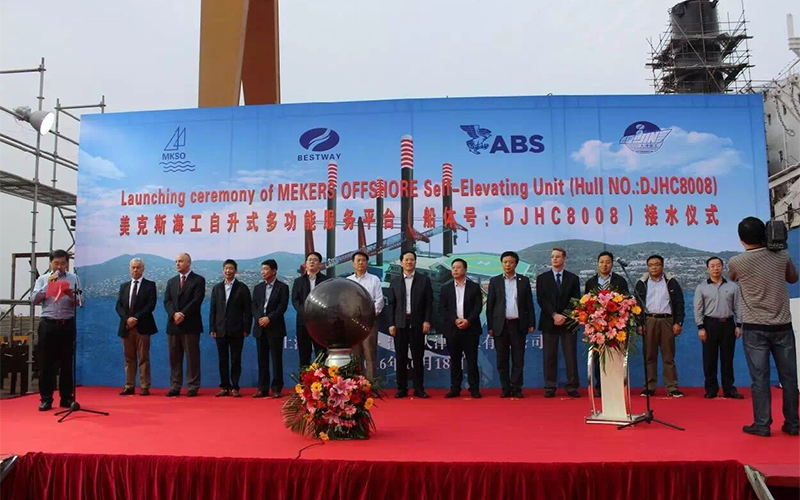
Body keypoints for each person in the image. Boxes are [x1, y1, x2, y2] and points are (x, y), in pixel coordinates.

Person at [728, 216, 798, 437]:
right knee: (789, 378)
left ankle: (762, 424)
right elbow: (793, 278)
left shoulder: (737, 261)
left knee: (759, 378)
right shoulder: (782, 256)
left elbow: (732, 278)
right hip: (782, 325)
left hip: (755, 327)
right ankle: (793, 423)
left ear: (741, 239)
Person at [32, 249, 83, 411]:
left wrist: (70, 295)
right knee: (46, 363)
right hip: (48, 324)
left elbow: (81, 301)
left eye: (63, 263)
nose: (59, 266)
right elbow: (34, 300)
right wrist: (48, 285)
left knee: (67, 363)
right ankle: (46, 399)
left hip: (66, 324)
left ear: (67, 264)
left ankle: (66, 398)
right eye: (56, 263)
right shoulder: (42, 279)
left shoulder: (74, 279)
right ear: (50, 263)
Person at [634, 255, 685, 398]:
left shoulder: (671, 282)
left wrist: (678, 322)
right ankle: (649, 387)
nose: (654, 267)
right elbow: (636, 306)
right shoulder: (642, 283)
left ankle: (672, 387)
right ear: (647, 267)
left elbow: (679, 303)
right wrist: (639, 324)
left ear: (662, 266)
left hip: (667, 320)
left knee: (668, 356)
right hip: (649, 320)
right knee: (649, 355)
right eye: (651, 265)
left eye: (657, 264)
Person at [486, 251, 536, 398]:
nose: (508, 265)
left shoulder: (524, 281)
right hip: (500, 325)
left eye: (511, 262)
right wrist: (490, 326)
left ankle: (516, 388)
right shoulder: (495, 281)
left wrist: (531, 322)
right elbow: (490, 305)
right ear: (502, 264)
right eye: (505, 262)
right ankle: (505, 388)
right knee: (502, 359)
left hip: (518, 324)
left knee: (518, 358)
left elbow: (529, 304)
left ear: (516, 264)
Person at [693, 256, 743, 400]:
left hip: (728, 324)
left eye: (718, 265)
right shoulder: (701, 287)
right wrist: (700, 327)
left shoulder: (733, 286)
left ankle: (729, 389)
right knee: (709, 359)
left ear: (722, 267)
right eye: (712, 266)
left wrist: (739, 325)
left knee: (728, 358)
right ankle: (711, 389)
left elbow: (738, 306)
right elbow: (698, 309)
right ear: (707, 269)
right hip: (710, 324)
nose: (716, 268)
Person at [536, 247, 582, 398]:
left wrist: (564, 316)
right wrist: (554, 315)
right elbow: (542, 300)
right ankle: (550, 386)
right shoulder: (542, 278)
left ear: (564, 259)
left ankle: (572, 386)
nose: (554, 259)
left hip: (568, 322)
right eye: (552, 257)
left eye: (557, 256)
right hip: (549, 321)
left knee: (570, 356)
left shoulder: (573, 278)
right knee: (549, 356)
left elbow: (575, 300)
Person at [387, 250, 433, 398]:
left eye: (411, 259)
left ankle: (419, 388)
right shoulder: (395, 281)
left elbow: (429, 303)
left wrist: (427, 321)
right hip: (400, 324)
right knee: (400, 357)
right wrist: (391, 324)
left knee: (418, 357)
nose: (409, 262)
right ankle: (402, 388)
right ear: (401, 263)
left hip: (417, 323)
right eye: (406, 260)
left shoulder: (424, 280)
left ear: (415, 262)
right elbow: (391, 305)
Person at [584, 251, 629, 397]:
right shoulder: (590, 282)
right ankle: (600, 386)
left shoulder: (620, 281)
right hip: (597, 325)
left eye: (608, 262)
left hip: (616, 325)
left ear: (612, 264)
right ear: (597, 264)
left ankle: (615, 385)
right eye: (602, 262)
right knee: (598, 356)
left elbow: (625, 301)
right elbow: (586, 303)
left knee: (615, 355)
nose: (604, 265)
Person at [163, 252, 206, 397]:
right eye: (176, 261)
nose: (177, 264)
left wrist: (182, 314)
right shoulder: (171, 281)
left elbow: (197, 300)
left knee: (192, 357)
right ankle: (175, 386)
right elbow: (167, 301)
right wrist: (174, 314)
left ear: (188, 262)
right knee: (174, 358)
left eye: (180, 261)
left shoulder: (198, 280)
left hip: (190, 325)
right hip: (173, 325)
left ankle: (193, 386)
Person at [439, 258, 483, 399]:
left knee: (472, 360)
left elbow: (478, 307)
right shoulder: (445, 288)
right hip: (453, 329)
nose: (455, 270)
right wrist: (455, 320)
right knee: (455, 360)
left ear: (465, 270)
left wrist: (468, 321)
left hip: (470, 329)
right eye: (453, 268)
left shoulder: (474, 287)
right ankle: (455, 388)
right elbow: (442, 309)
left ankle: (474, 388)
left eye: (458, 267)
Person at [114, 257, 157, 396]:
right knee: (129, 358)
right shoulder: (124, 286)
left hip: (143, 327)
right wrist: (127, 319)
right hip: (126, 327)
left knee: (143, 357)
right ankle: (129, 385)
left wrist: (136, 318)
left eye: (138, 267)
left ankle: (144, 386)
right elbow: (119, 306)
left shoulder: (150, 285)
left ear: (143, 269)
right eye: (133, 267)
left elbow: (150, 305)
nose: (135, 270)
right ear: (129, 269)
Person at [209, 259, 252, 397]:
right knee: (222, 359)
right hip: (220, 329)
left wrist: (247, 328)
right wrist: (212, 328)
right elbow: (213, 310)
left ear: (236, 271)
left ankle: (235, 387)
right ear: (223, 271)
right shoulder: (217, 288)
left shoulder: (242, 288)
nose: (228, 271)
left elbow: (248, 311)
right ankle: (224, 386)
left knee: (235, 359)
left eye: (231, 268)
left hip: (237, 330)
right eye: (226, 268)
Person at [252, 259, 289, 398]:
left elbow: (282, 307)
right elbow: (254, 306)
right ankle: (262, 388)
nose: (263, 272)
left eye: (266, 269)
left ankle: (277, 388)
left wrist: (269, 318)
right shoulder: (257, 288)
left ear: (274, 271)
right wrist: (259, 318)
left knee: (276, 359)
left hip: (275, 328)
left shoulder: (282, 287)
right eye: (262, 269)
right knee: (262, 360)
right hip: (260, 327)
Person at [347, 251, 384, 379]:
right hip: (353, 323)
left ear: (367, 263)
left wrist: (369, 316)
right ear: (353, 264)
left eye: (363, 260)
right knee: (355, 355)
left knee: (370, 354)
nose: (361, 263)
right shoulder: (348, 281)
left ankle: (372, 385)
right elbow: (346, 302)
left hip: (370, 322)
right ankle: (356, 385)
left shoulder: (374, 279)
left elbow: (379, 301)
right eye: (358, 260)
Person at [292, 252, 329, 368]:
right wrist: (305, 312)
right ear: (306, 263)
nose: (312, 262)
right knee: (304, 353)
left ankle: (322, 378)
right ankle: (304, 378)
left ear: (320, 264)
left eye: (315, 260)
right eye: (309, 260)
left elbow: (328, 300)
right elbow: (295, 300)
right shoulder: (298, 281)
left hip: (320, 322)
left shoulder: (326, 281)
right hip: (303, 321)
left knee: (321, 353)